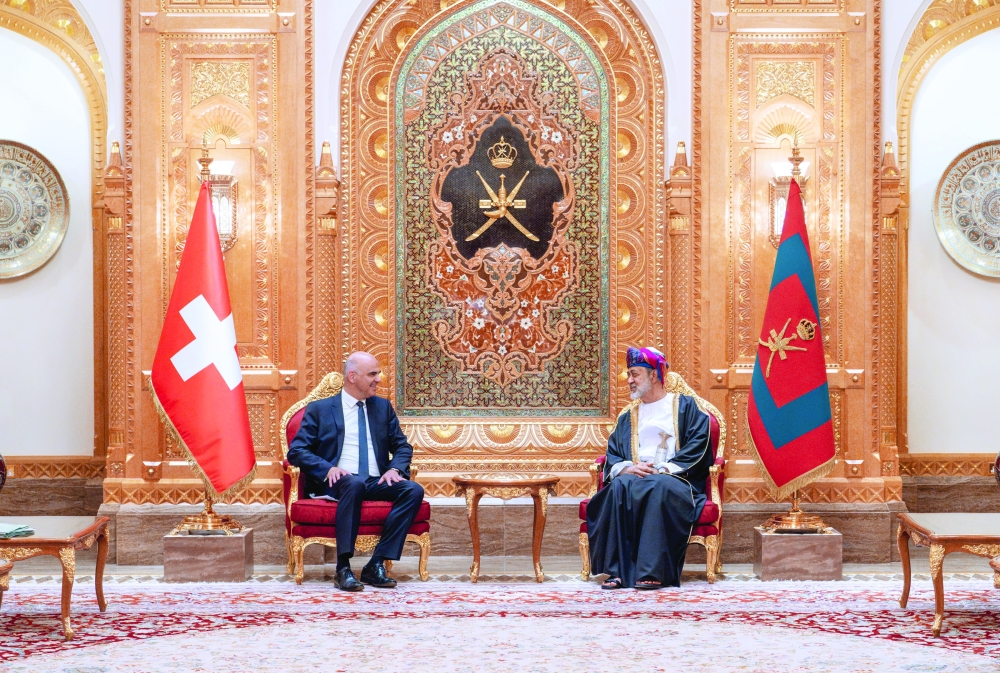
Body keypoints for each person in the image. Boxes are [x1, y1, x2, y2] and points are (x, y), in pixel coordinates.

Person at [287, 352, 424, 591]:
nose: (378, 379)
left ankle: (376, 563)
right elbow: (297, 451)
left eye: (378, 373)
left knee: (412, 490)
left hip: (375, 480)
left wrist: (395, 469)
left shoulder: (382, 408)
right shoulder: (320, 409)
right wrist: (328, 468)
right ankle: (343, 568)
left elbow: (402, 446)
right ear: (352, 376)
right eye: (372, 374)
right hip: (336, 481)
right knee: (353, 483)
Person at [586, 346, 712, 589]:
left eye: (635, 374)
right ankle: (617, 571)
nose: (629, 380)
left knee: (657, 485)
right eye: (629, 375)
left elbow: (699, 443)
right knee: (621, 485)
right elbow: (613, 453)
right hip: (636, 476)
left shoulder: (685, 407)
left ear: (654, 375)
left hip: (674, 479)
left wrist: (664, 469)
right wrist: (626, 468)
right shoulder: (628, 416)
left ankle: (652, 571)